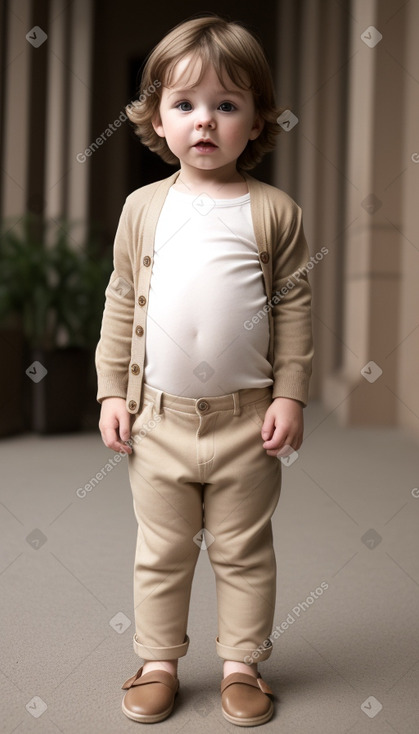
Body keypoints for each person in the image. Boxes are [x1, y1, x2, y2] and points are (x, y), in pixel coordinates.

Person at [95, 13, 314, 727]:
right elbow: (121, 300)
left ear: (255, 121)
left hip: (245, 423)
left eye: (226, 104)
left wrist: (290, 395)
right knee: (160, 550)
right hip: (157, 417)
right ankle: (158, 660)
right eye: (184, 104)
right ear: (157, 117)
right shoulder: (142, 209)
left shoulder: (274, 213)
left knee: (243, 551)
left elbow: (293, 310)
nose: (204, 122)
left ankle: (241, 665)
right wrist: (110, 392)